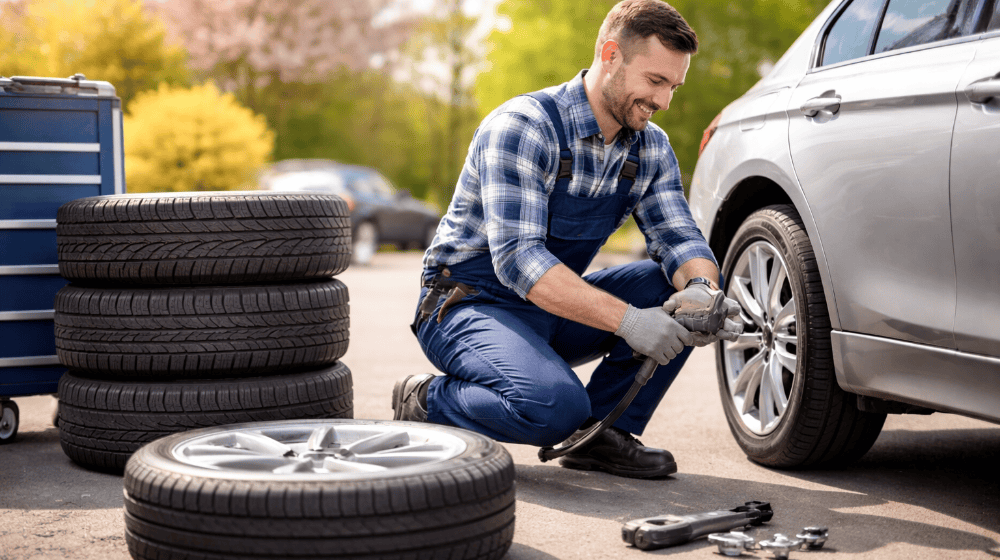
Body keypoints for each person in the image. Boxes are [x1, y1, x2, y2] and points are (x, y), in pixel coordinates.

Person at [394, 0, 741, 479]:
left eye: (673, 86)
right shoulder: (523, 127)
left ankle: (598, 435)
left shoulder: (649, 147)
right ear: (611, 55)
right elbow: (519, 263)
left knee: (668, 287)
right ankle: (426, 399)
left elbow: (679, 237)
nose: (664, 102)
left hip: (550, 306)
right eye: (655, 81)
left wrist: (702, 292)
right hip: (468, 304)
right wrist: (629, 322)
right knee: (552, 407)